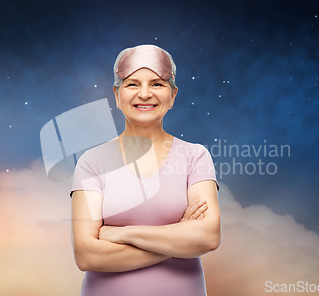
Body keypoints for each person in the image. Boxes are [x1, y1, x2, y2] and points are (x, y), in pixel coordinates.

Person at [69, 44, 221, 296]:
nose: (145, 93)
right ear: (117, 96)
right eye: (132, 84)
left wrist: (121, 234)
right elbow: (87, 255)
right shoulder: (92, 162)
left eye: (157, 84)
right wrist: (178, 236)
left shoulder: (195, 156)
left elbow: (208, 237)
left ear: (172, 96)